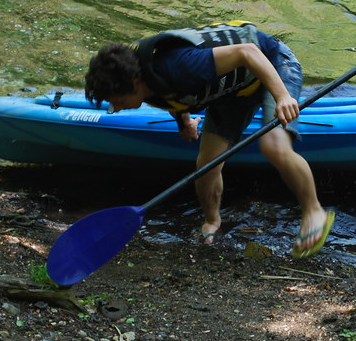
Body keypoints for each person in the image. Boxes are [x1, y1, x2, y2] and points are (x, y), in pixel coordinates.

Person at [84, 21, 334, 258]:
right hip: (233, 91)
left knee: (273, 146)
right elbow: (170, 92)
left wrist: (281, 96)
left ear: (135, 83)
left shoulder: (181, 66)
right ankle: (212, 221)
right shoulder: (141, 78)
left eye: (116, 101)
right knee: (206, 164)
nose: (115, 108)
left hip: (271, 62)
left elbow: (247, 51)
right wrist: (184, 121)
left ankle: (314, 212)